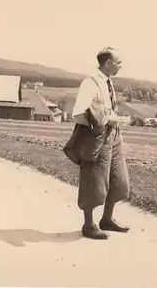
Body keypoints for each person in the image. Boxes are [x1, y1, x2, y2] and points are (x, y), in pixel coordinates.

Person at [63, 47, 130, 240]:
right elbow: (78, 115)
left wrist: (112, 122)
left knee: (119, 179)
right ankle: (88, 225)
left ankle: (107, 220)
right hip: (97, 137)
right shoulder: (90, 83)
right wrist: (102, 123)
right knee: (94, 180)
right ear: (108, 63)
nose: (120, 66)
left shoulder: (108, 81)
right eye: (118, 62)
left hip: (114, 136)